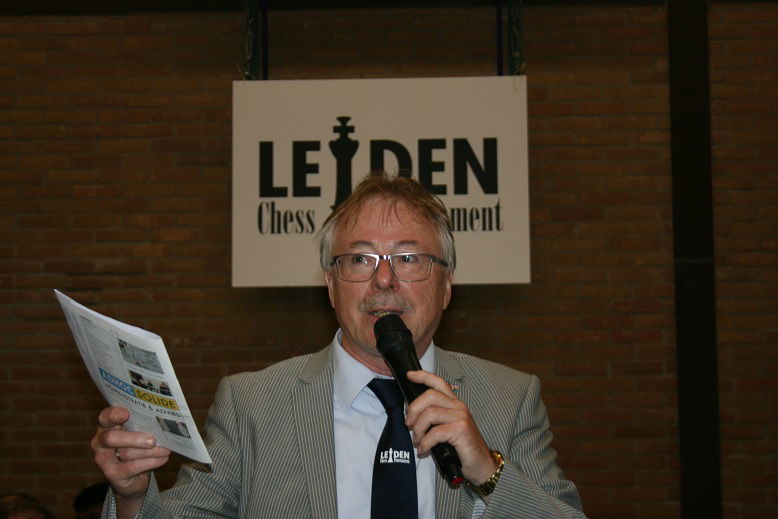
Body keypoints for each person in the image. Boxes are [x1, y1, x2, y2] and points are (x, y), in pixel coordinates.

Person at [91, 170, 587, 518]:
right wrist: (133, 499)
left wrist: (488, 471)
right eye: (360, 260)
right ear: (331, 286)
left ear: (447, 286)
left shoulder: (509, 399)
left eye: (409, 259)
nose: (384, 281)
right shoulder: (252, 404)